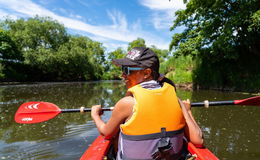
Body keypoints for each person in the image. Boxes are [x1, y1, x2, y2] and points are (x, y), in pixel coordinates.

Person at [91, 47, 203, 159]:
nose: (122, 75)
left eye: (126, 70)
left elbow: (106, 133)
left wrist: (95, 115)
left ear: (146, 73)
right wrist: (187, 111)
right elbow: (198, 140)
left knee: (118, 132)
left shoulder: (126, 103)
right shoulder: (176, 99)